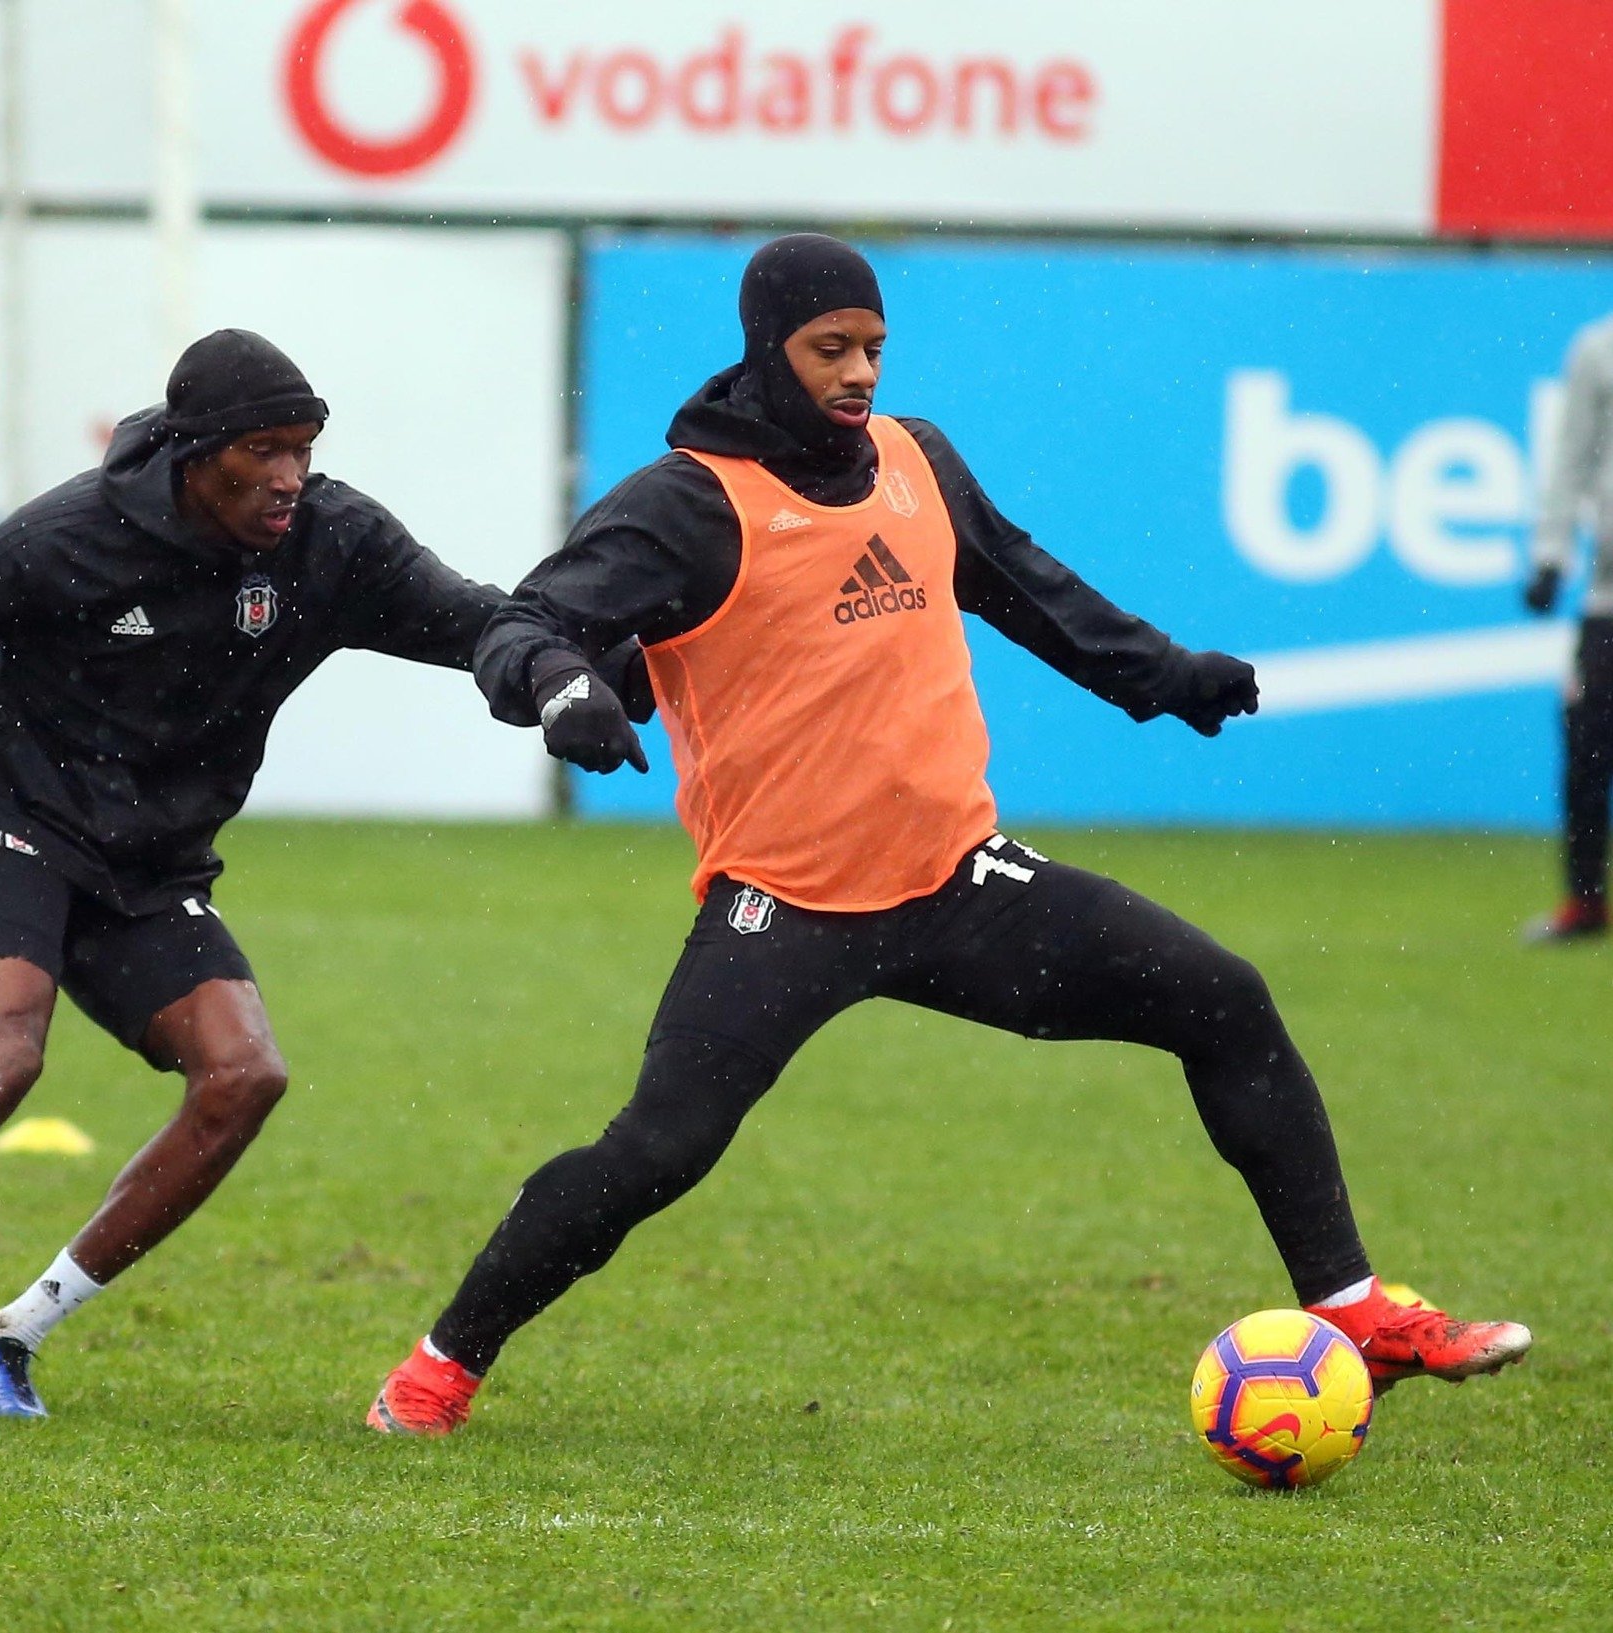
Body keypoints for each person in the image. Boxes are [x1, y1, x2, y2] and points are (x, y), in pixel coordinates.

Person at [366, 236, 1533, 1436]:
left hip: (961, 884)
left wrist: (1165, 677)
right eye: (830, 349)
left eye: (872, 346)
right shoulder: (687, 503)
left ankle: (1351, 1310)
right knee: (659, 1148)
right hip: (786, 909)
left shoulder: (914, 458)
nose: (859, 372)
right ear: (766, 350)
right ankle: (441, 1366)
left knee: (1222, 999)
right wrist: (564, 688)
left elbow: (1026, 584)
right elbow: (528, 620)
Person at [0, 329, 644, 1423]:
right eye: (264, 451)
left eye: (304, 449)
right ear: (196, 454)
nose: (290, 476)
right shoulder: (67, 538)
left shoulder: (331, 543)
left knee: (243, 1075)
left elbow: (478, 619)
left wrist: (568, 676)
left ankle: (10, 1339)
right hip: (9, 822)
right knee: (4, 1043)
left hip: (152, 865)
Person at [1522, 310, 1613, 942]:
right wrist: (1550, 553)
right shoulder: (1599, 348)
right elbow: (1572, 458)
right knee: (1588, 747)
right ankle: (1585, 900)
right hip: (1608, 596)